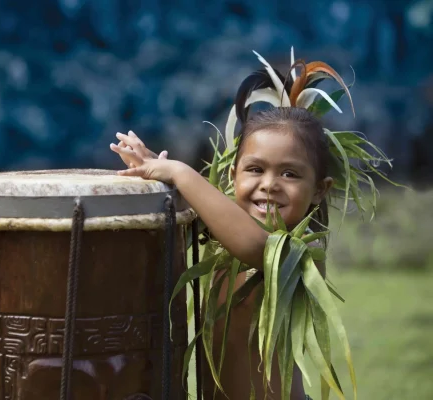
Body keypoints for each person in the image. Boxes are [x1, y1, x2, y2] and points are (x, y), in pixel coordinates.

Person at [108, 49, 366, 399]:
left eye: (290, 174)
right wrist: (156, 169)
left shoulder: (302, 250)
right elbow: (210, 211)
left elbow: (256, 247)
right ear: (233, 175)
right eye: (255, 169)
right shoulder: (223, 230)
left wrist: (181, 173)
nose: (270, 184)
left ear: (320, 190)